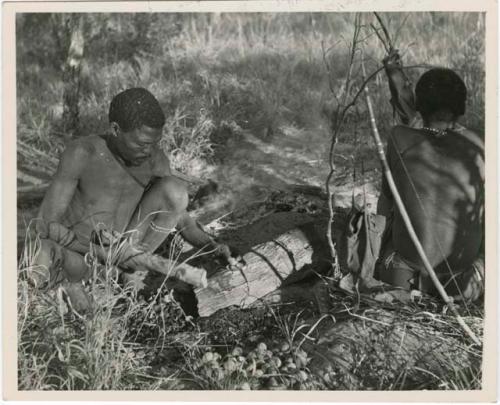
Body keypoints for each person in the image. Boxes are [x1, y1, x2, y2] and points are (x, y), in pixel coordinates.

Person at [30, 87, 235, 311]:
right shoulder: (82, 153)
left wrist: (212, 247)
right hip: (79, 256)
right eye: (141, 144)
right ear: (116, 129)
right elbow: (44, 225)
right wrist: (103, 253)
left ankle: (129, 274)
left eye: (154, 142)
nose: (149, 151)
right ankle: (74, 289)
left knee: (175, 191)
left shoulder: (155, 161)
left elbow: (182, 219)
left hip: (126, 257)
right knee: (40, 252)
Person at [374, 50, 484, 302]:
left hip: (402, 274)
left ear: (420, 105)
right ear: (461, 107)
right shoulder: (481, 144)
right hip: (463, 281)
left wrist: (394, 73)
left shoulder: (398, 137)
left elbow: (387, 200)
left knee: (391, 208)